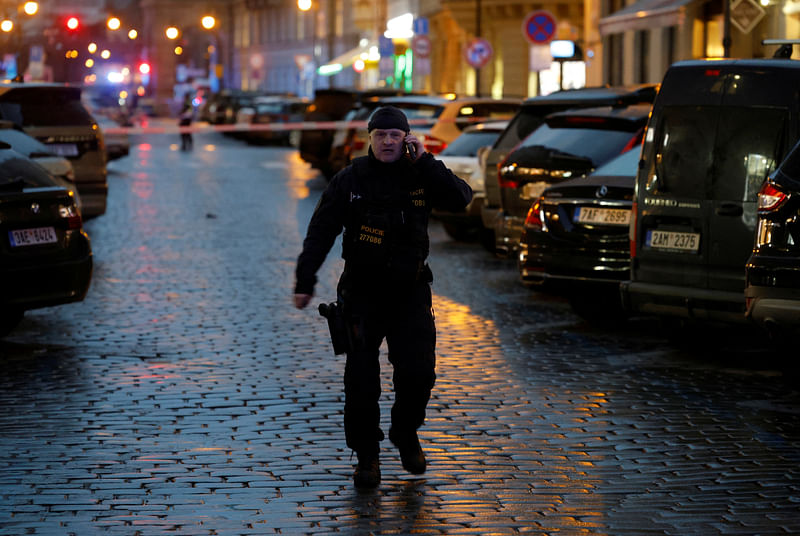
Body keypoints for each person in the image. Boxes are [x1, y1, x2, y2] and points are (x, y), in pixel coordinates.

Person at [293, 105, 472, 489]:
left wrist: (425, 160)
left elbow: (461, 199)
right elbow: (321, 231)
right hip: (362, 292)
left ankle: (406, 433)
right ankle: (367, 458)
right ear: (369, 138)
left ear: (406, 138)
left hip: (410, 292)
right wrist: (305, 279)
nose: (388, 141)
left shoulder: (420, 174)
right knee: (361, 381)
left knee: (419, 373)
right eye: (381, 135)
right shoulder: (350, 179)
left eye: (395, 135)